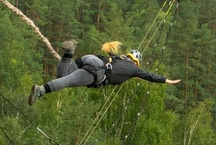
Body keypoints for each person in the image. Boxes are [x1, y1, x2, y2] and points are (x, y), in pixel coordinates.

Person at [28, 40, 181, 106]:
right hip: (96, 71)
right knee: (66, 82)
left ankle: (70, 52)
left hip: (91, 59)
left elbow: (109, 52)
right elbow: (150, 76)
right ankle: (40, 91)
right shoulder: (134, 68)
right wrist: (167, 80)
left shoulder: (119, 58)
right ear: (137, 61)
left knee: (62, 76)